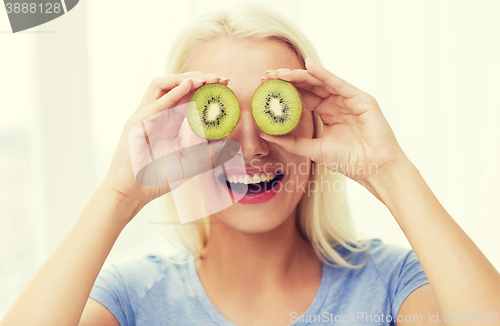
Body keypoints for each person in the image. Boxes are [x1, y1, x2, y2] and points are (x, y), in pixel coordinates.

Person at [2, 6, 499, 326]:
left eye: (272, 109)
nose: (251, 145)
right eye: (218, 115)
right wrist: (117, 197)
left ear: (315, 124)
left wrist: (389, 169)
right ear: (177, 134)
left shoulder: (390, 284)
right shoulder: (132, 298)